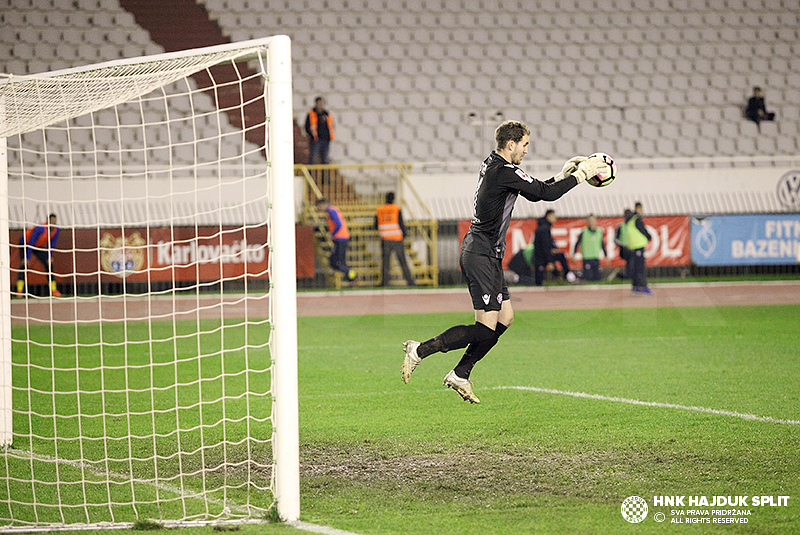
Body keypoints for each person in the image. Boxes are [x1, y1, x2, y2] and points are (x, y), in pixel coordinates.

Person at [400, 120, 607, 403]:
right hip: (480, 254)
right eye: (524, 145)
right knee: (485, 329)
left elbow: (538, 188)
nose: (525, 151)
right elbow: (542, 195)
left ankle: (461, 373)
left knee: (505, 318)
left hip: (488, 254)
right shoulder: (503, 170)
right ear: (511, 145)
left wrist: (563, 175)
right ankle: (420, 350)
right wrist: (580, 176)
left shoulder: (496, 165)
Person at [375, 192, 415, 287]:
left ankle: (384, 282)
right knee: (403, 261)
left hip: (385, 238)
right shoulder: (396, 209)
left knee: (385, 262)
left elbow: (376, 224)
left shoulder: (380, 210)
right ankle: (410, 282)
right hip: (397, 238)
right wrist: (404, 234)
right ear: (393, 199)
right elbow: (400, 223)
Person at [16, 213, 61, 297]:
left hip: (38, 246)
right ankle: (19, 290)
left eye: (54, 222)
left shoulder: (56, 230)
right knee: (24, 265)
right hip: (25, 243)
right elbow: (31, 242)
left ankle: (54, 290)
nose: (53, 224)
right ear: (48, 221)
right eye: (51, 221)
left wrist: (49, 256)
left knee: (49, 265)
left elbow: (52, 244)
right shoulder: (40, 228)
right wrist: (27, 257)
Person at [316, 198, 356, 284]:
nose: (319, 209)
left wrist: (332, 234)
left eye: (319, 207)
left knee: (334, 261)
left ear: (322, 205)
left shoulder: (331, 211)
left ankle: (351, 275)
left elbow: (339, 224)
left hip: (340, 238)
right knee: (339, 261)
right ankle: (350, 277)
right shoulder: (332, 210)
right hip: (341, 237)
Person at [533, 209, 576, 286]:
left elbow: (549, 243)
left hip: (542, 257)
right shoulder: (544, 229)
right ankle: (567, 276)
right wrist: (549, 261)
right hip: (541, 258)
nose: (555, 219)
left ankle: (564, 277)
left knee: (560, 255)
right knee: (538, 282)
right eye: (553, 216)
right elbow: (544, 246)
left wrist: (553, 248)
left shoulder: (544, 227)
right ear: (548, 216)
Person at [626, 202, 652, 295]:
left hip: (633, 246)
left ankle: (636, 286)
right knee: (640, 268)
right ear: (637, 208)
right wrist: (649, 237)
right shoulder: (637, 219)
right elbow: (643, 230)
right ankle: (643, 286)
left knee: (635, 268)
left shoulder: (630, 220)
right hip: (638, 246)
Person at [573, 214, 606, 282]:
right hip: (587, 257)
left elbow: (602, 244)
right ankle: (579, 277)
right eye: (590, 221)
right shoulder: (584, 232)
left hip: (595, 257)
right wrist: (574, 254)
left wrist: (606, 255)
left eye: (593, 221)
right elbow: (577, 243)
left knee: (597, 278)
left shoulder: (599, 232)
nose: (592, 223)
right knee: (588, 277)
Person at [304, 96, 335, 165]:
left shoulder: (326, 114)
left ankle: (324, 175)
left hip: (326, 140)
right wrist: (312, 135)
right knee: (313, 158)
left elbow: (331, 125)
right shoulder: (311, 114)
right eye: (318, 103)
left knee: (325, 159)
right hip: (315, 140)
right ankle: (311, 174)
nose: (320, 105)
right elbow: (307, 126)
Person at [613, 209, 633, 281]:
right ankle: (627, 275)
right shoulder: (621, 226)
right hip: (624, 249)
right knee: (630, 259)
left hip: (632, 248)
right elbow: (615, 239)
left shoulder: (634, 226)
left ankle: (626, 275)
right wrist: (623, 245)